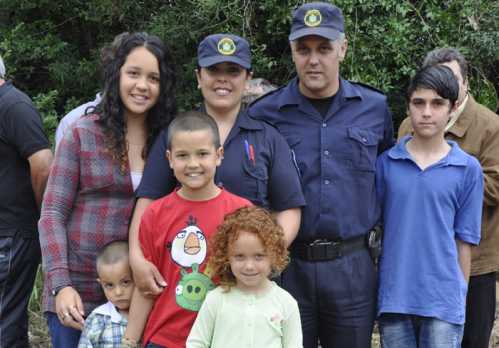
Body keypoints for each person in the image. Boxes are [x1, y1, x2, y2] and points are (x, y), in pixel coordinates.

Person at [247, 2, 394, 347]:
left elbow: (387, 178)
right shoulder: (265, 113)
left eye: (324, 48)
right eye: (304, 49)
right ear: (293, 51)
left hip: (353, 269)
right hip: (287, 268)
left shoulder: (374, 108)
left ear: (342, 49)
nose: (314, 60)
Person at [129, 33, 304, 298]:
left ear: (247, 79)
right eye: (213, 70)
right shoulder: (175, 134)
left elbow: (289, 209)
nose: (223, 78)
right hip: (186, 281)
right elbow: (148, 202)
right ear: (199, 77)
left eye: (233, 71)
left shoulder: (268, 138)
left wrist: (261, 259)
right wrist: (137, 257)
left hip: (248, 284)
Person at [38, 32, 176, 348]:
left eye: (153, 78)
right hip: (79, 293)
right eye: (134, 74)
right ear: (116, 75)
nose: (143, 85)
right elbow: (51, 214)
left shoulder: (168, 140)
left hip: (143, 298)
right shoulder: (82, 134)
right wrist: (61, 285)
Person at [398, 47, 499, 348]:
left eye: (452, 79)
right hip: (420, 257)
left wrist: (445, 176)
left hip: (475, 260)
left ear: (465, 84)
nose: (444, 86)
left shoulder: (490, 126)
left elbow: (496, 184)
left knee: (470, 340)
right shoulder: (410, 125)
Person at [122, 111, 251, 348]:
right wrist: (129, 341)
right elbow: (146, 287)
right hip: (165, 339)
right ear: (170, 159)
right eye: (182, 155)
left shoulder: (242, 212)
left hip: (225, 338)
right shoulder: (155, 214)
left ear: (218, 155)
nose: (193, 164)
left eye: (202, 154)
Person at [376, 65, 483, 347]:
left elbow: (465, 241)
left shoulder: (468, 169)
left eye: (437, 103)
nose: (427, 112)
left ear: (452, 107)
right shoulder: (386, 164)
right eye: (419, 102)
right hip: (395, 298)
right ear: (408, 105)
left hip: (443, 302)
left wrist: (458, 297)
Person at [186, 206, 303, 348]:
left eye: (258, 256)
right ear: (226, 257)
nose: (249, 266)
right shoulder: (215, 300)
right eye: (240, 256)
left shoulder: (286, 303)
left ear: (274, 255)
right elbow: (196, 343)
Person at [0, 54, 53, 346]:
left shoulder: (14, 105)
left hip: (14, 233)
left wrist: (40, 215)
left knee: (4, 324)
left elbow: (43, 163)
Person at [78, 240, 134, 347]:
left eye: (125, 282)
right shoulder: (98, 319)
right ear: (101, 283)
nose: (118, 292)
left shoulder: (150, 315)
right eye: (109, 285)